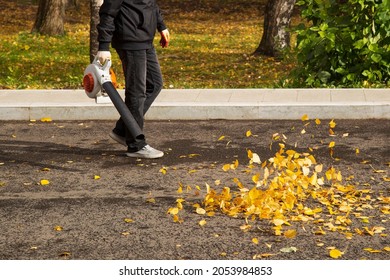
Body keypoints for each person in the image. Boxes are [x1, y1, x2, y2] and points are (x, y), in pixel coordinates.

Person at [96, 0, 170, 159]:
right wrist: (103, 46)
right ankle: (136, 145)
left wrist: (161, 25)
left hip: (145, 39)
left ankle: (123, 130)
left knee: (155, 84)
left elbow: (150, 4)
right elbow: (108, 12)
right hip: (130, 40)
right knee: (136, 93)